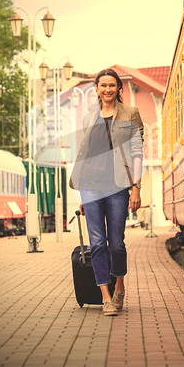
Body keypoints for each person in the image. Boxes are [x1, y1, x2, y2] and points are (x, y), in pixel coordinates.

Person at [70, 68, 144, 316]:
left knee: (116, 243)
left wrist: (136, 186)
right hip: (90, 184)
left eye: (112, 85)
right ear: (97, 88)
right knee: (97, 243)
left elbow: (137, 153)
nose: (108, 89)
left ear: (118, 88)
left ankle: (119, 286)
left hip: (117, 186)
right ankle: (106, 297)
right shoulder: (89, 115)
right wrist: (81, 195)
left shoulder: (130, 114)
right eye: (103, 85)